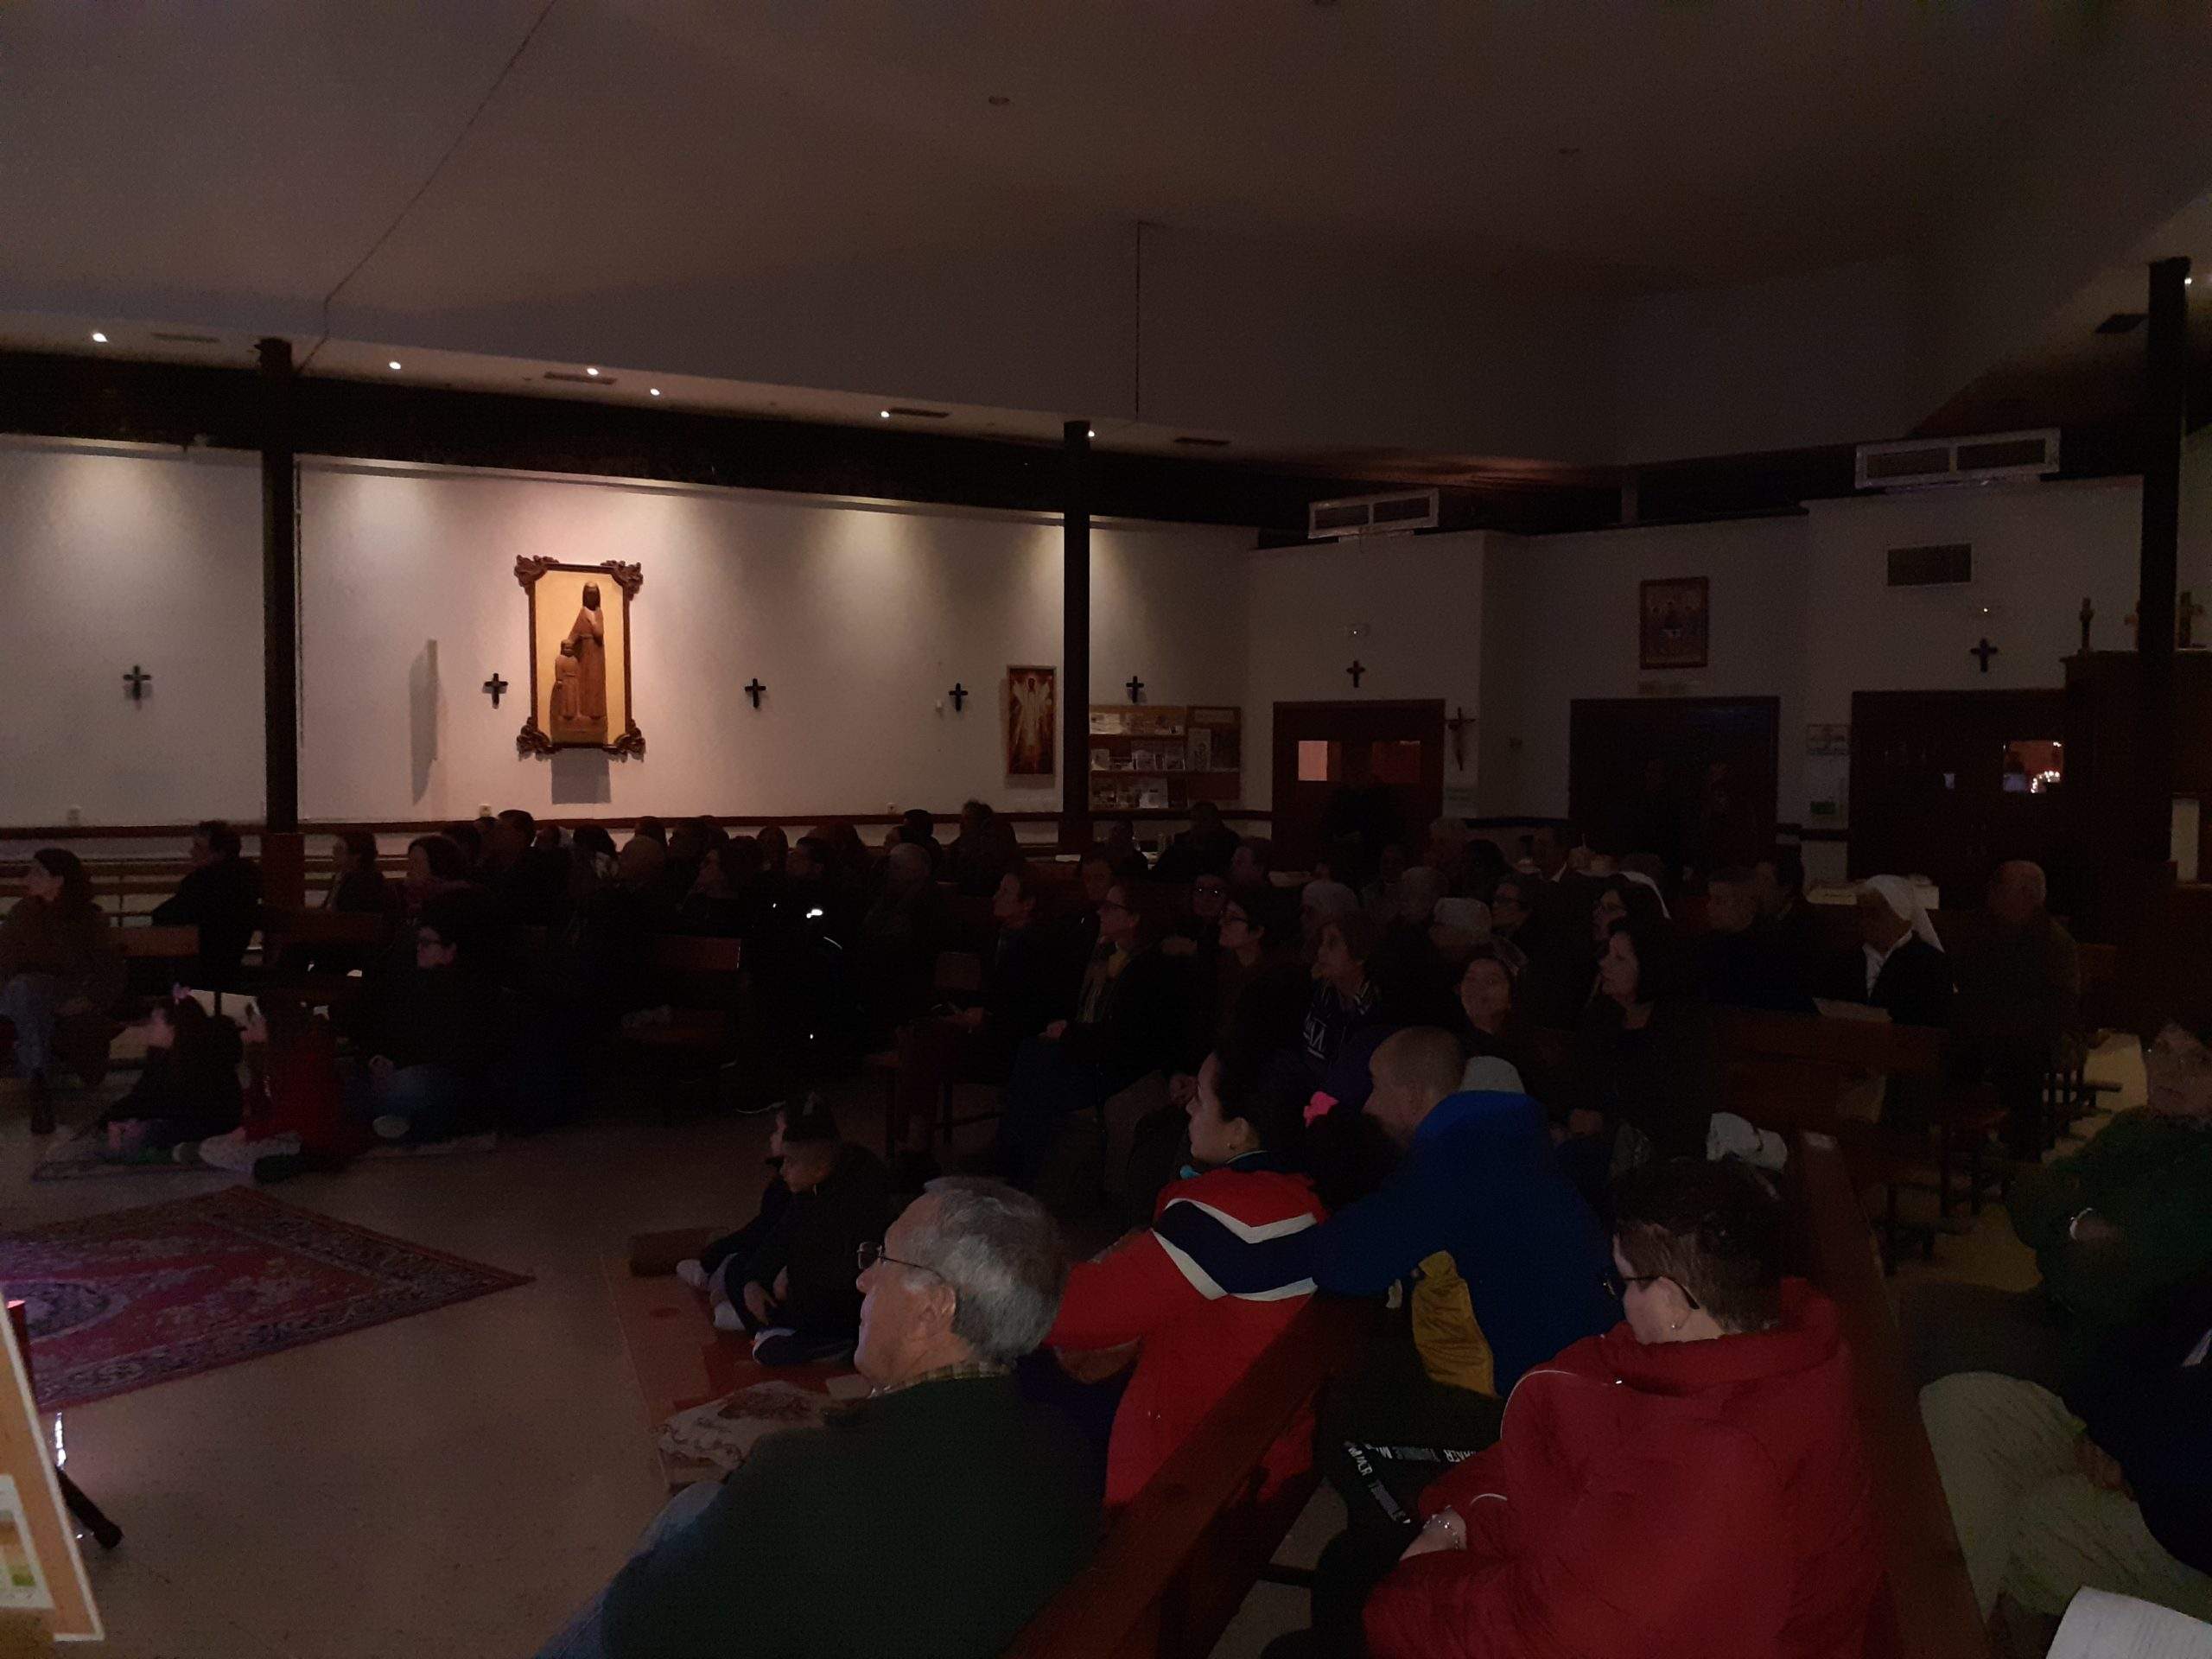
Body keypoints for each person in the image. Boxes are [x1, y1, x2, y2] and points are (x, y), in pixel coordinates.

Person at [536, 1179, 1096, 1659]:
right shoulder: (1064, 1448)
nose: (863, 1279)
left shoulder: (806, 1480)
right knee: (694, 1507)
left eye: (884, 1259)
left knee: (667, 1545)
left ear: (933, 1310)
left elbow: (640, 1630)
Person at [1356, 1157, 1881, 1659]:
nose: (1620, 1303)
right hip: (1578, 1553)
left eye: (1623, 1281)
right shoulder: (1731, 1356)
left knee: (1351, 1593)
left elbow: (1555, 1639)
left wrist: (1402, 1598)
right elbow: (1574, 1433)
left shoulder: (1721, 1465)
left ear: (1671, 1302)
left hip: (1594, 1617)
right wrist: (1458, 1518)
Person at [1156, 1030, 1618, 1542]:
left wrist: (1218, 1255)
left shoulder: (1457, 1160)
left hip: (1535, 1413)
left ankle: (1415, 1548)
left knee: (1345, 1428)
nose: (1367, 1104)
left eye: (1376, 1087)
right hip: (1574, 1382)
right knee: (1364, 1373)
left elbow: (1348, 1258)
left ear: (1413, 1096)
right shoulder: (1499, 1137)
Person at [1047, 1052, 1325, 1508]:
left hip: (1201, 1462)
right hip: (1262, 1435)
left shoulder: (1225, 1219)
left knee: (1021, 1367)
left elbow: (1079, 1313)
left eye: (1202, 1097)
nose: (1190, 1106)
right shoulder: (1300, 1193)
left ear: (1239, 1130)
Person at [1906, 1018, 2212, 1393]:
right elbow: (2028, 1190)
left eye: (2197, 1060)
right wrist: (2077, 1223)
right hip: (2053, 1309)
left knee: (1931, 1340)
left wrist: (2057, 1237)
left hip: (2110, 1354)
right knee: (1918, 1306)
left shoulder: (2200, 1169)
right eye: (2161, 1050)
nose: (2169, 1070)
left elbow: (2103, 1282)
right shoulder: (2135, 1126)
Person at [1920, 1270, 2212, 1636]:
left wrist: (2127, 1448)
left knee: (2018, 1525)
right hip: (2122, 1439)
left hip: (2182, 1529)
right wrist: (2107, 1431)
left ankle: (1937, 1635)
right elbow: (2124, 1346)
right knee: (1961, 1405)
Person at [994, 882, 1190, 1194]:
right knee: (1033, 1054)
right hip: (1100, 1049)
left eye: (1112, 907)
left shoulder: (1147, 967)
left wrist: (1070, 1034)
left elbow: (1125, 1035)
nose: (1101, 911)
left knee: (1041, 1069)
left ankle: (1020, 1171)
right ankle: (1012, 1164)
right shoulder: (1105, 954)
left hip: (1122, 1065)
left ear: (1134, 918)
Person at [890, 865, 1068, 1174]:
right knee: (923, 1039)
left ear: (1028, 903)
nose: (995, 896)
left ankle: (913, 1145)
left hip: (1010, 1044)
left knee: (925, 1045)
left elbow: (1030, 1010)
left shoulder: (1038, 950)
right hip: (987, 1031)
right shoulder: (996, 938)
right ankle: (913, 1145)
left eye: (1006, 892)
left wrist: (984, 1017)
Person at [691, 1101, 890, 1363]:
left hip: (845, 1304)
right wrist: (753, 1281)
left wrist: (789, 1279)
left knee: (745, 1279)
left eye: (791, 1162)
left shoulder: (855, 1199)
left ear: (819, 1168)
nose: (783, 1170)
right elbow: (780, 1236)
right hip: (806, 1289)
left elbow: (840, 1274)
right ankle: (783, 1334)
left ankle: (804, 1340)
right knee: (739, 1270)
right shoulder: (811, 1185)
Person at [1558, 913, 1720, 1206]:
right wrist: (1576, 1113)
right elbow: (1577, 1078)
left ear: (1650, 969)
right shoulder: (1604, 1015)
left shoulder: (1683, 1028)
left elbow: (1678, 1117)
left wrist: (1606, 1125)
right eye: (1608, 953)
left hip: (1656, 1159)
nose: (1604, 963)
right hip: (1596, 1144)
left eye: (1619, 959)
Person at [350, 896, 505, 1143]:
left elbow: (452, 1052)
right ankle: (396, 1120)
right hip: (401, 1067)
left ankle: (397, 1120)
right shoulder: (409, 979)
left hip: (440, 1076)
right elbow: (383, 1026)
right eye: (418, 942)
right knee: (357, 1083)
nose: (419, 949)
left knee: (409, 1087)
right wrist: (377, 1059)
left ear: (450, 950)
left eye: (427, 943)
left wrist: (398, 1062)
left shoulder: (465, 990)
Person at [1953, 859, 2081, 1157]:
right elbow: (1965, 980)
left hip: (2039, 1033)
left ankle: (2023, 1150)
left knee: (2022, 1060)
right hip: (1990, 1023)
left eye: (2000, 890)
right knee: (1954, 1048)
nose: (1991, 896)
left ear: (2028, 896)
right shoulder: (1981, 930)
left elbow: (2061, 1005)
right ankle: (1968, 1133)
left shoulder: (2054, 941)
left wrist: (2009, 1019)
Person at [0, 848, 124, 1127]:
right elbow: (3, 961)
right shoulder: (22, 914)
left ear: (58, 881)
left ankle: (36, 1074)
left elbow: (110, 970)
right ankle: (38, 1076)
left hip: (66, 992)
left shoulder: (87, 919)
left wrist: (89, 1000)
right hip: (21, 993)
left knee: (26, 997)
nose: (27, 879)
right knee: (24, 995)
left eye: (36, 873)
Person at [99, 994, 245, 1160]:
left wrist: (137, 1122)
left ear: (173, 1028)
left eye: (154, 1022)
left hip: (207, 1125)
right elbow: (142, 1096)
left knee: (138, 1135)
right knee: (127, 1130)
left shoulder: (202, 1060)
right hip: (178, 1120)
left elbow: (183, 1106)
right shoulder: (162, 1058)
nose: (148, 1027)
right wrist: (114, 1117)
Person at [1820, 874, 1952, 1031]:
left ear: (1902, 918)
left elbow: (1933, 1022)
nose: (1865, 921)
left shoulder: (1931, 963)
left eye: (1874, 914)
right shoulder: (1845, 960)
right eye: (1860, 912)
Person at [151, 819, 263, 982]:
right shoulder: (246, 879)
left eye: (198, 847)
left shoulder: (204, 883)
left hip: (198, 963)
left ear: (219, 854)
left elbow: (165, 916)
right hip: (228, 961)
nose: (191, 852)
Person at [1697, 863, 1812, 1013]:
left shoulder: (1773, 949)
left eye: (1720, 901)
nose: (1709, 906)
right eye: (1710, 899)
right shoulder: (1708, 945)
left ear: (1748, 904)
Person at [1153, 801, 1240, 885]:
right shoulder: (1182, 841)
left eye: (1203, 819)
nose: (1197, 824)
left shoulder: (1228, 842)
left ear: (1215, 822)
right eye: (1194, 819)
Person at [945, 800, 1020, 897]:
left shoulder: (992, 846)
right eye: (962, 819)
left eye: (967, 818)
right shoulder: (956, 846)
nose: (961, 823)